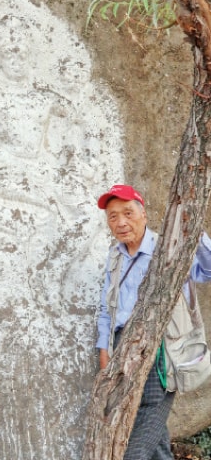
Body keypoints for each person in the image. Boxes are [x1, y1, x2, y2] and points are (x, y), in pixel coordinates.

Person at [96, 184, 211, 460]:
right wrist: (104, 355)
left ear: (143, 214)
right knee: (154, 437)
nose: (121, 222)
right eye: (113, 216)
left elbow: (208, 271)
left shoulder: (170, 249)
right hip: (121, 352)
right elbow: (106, 310)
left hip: (161, 352)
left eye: (127, 213)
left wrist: (194, 232)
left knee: (136, 447)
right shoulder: (115, 257)